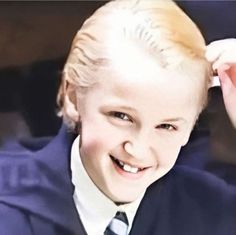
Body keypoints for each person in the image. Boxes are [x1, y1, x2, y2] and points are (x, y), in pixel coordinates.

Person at [0, 1, 235, 235]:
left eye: (167, 126)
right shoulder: (8, 207)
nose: (138, 150)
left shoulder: (212, 209)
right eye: (121, 116)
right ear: (73, 97)